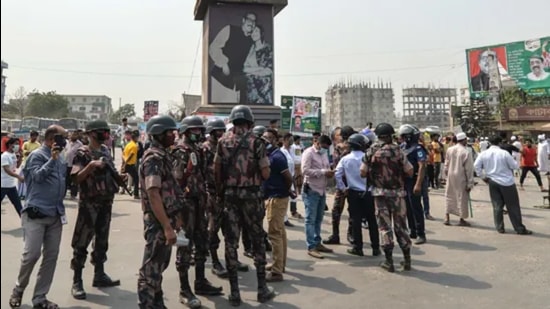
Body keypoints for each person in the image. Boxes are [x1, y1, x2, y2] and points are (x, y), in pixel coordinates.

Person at [214, 105, 275, 306]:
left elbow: (217, 171)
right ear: (250, 122)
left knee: (231, 242)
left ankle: (234, 293)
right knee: (257, 241)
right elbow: (266, 173)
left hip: (230, 197)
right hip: (252, 198)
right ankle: (261, 289)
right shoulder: (257, 142)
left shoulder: (222, 141)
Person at [9, 125, 67, 309]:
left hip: (55, 214)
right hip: (37, 213)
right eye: (62, 138)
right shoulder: (38, 155)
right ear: (52, 139)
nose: (65, 142)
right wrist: (52, 159)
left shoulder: (60, 158)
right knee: (31, 255)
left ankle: (40, 298)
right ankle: (18, 290)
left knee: (51, 257)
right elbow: (36, 177)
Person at [70, 120, 125, 300]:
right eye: (103, 132)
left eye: (107, 133)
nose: (106, 136)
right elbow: (76, 178)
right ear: (92, 133)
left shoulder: (105, 151)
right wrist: (91, 165)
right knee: (81, 243)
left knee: (102, 240)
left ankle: (99, 274)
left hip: (106, 203)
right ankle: (77, 280)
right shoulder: (82, 153)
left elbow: (112, 173)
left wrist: (120, 177)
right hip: (89, 204)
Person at [172, 116, 222, 308]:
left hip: (200, 202)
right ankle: (184, 289)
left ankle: (200, 282)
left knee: (202, 243)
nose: (199, 134)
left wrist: (209, 196)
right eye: (195, 131)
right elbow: (177, 182)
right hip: (185, 205)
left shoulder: (198, 150)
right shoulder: (179, 151)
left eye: (200, 131)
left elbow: (205, 175)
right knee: (185, 247)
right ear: (185, 131)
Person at [136, 115, 184, 308]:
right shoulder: (154, 158)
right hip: (158, 222)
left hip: (166, 219)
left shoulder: (163, 155)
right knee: (150, 270)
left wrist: (176, 218)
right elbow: (153, 194)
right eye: (170, 132)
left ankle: (157, 302)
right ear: (158, 134)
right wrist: (166, 227)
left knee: (159, 266)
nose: (174, 135)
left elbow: (169, 191)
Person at [361, 123, 413, 273]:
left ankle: (389, 261)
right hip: (398, 195)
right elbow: (409, 171)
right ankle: (407, 259)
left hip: (380, 195)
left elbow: (362, 172)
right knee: (401, 227)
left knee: (384, 228)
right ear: (391, 135)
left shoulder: (372, 151)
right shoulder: (398, 150)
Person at [474, 135, 532, 235]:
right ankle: (519, 228)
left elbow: (476, 166)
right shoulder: (504, 153)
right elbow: (515, 166)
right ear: (500, 142)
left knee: (497, 205)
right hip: (507, 182)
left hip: (492, 181)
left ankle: (499, 227)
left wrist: (483, 177)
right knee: (513, 206)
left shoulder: (484, 153)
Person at [335, 134, 379, 257]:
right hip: (368, 192)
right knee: (372, 220)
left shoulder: (345, 159)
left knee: (356, 221)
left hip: (353, 192)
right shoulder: (369, 158)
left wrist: (343, 188)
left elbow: (337, 174)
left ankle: (357, 247)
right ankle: (376, 248)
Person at [262, 129, 293, 282]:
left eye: (269, 138)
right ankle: (279, 264)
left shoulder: (277, 157)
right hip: (275, 197)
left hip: (277, 198)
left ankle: (276, 272)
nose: (266, 140)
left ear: (275, 140)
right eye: (264, 137)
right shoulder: (269, 155)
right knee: (280, 232)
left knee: (274, 234)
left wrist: (285, 190)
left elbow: (288, 178)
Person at [209, 12, 257, 103]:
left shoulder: (251, 42)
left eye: (254, 22)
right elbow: (213, 47)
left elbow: (250, 63)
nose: (252, 23)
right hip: (218, 80)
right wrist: (223, 63)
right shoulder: (229, 29)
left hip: (235, 86)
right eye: (250, 20)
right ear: (243, 20)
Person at [203, 119, 228, 279]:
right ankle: (214, 260)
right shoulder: (205, 149)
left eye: (222, 131)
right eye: (218, 131)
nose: (221, 134)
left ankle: (232, 259)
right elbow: (204, 172)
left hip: (225, 193)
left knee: (229, 228)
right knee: (213, 229)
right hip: (211, 194)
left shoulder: (223, 146)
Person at [301, 134, 334, 259]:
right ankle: (311, 246)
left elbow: (326, 167)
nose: (325, 149)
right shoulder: (308, 153)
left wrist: (329, 172)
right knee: (310, 219)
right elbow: (305, 171)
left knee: (319, 218)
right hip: (311, 189)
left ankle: (317, 242)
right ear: (318, 143)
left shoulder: (324, 154)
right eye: (324, 147)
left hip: (322, 190)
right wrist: (322, 172)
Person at [324, 126, 355, 245]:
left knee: (337, 211)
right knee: (350, 210)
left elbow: (336, 164)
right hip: (350, 183)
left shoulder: (341, 147)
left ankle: (338, 234)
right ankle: (348, 234)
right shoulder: (353, 147)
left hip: (343, 183)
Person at [400, 124, 428, 245]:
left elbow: (422, 166)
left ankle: (421, 233)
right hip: (404, 181)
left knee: (416, 207)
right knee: (407, 208)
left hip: (414, 180)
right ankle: (412, 230)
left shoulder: (418, 149)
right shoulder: (402, 147)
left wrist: (418, 184)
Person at [444, 132, 475, 226]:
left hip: (450, 174)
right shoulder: (465, 152)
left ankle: (447, 217)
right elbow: (469, 169)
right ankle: (461, 219)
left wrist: (446, 174)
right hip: (461, 176)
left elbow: (446, 164)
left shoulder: (450, 149)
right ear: (464, 140)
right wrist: (470, 183)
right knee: (461, 197)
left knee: (449, 195)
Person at [244, 25, 274, 104]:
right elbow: (244, 69)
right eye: (252, 31)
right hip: (251, 90)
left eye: (256, 31)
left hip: (264, 89)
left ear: (262, 33)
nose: (254, 33)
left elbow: (269, 71)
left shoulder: (268, 49)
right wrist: (260, 68)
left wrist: (251, 72)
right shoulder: (250, 50)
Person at [280, 133, 303, 219]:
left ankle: (293, 211)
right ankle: (283, 217)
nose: (291, 141)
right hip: (284, 176)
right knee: (285, 196)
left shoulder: (296, 148)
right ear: (284, 140)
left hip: (293, 175)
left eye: (292, 139)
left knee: (294, 194)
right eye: (289, 139)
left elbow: (299, 160)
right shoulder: (281, 151)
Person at [1, 137, 24, 216]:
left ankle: (26, 222)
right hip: (3, 185)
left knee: (18, 204)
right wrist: (18, 176)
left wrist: (21, 156)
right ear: (10, 145)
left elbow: (17, 166)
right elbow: (7, 170)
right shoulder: (5, 156)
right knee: (18, 204)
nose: (18, 146)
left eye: (18, 144)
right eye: (16, 144)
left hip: (11, 185)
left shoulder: (13, 154)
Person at [122, 130, 140, 199]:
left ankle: (122, 189)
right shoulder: (134, 146)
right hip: (130, 165)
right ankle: (136, 194)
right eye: (137, 137)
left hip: (127, 164)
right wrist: (125, 163)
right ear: (135, 138)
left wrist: (124, 162)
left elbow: (123, 154)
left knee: (123, 177)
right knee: (136, 178)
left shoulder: (128, 144)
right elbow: (131, 155)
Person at [65, 130, 83, 199]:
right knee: (65, 180)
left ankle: (73, 194)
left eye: (75, 135)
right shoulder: (67, 142)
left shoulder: (79, 144)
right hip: (66, 163)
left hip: (75, 165)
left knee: (74, 180)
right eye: (72, 134)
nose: (73, 136)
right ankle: (63, 194)